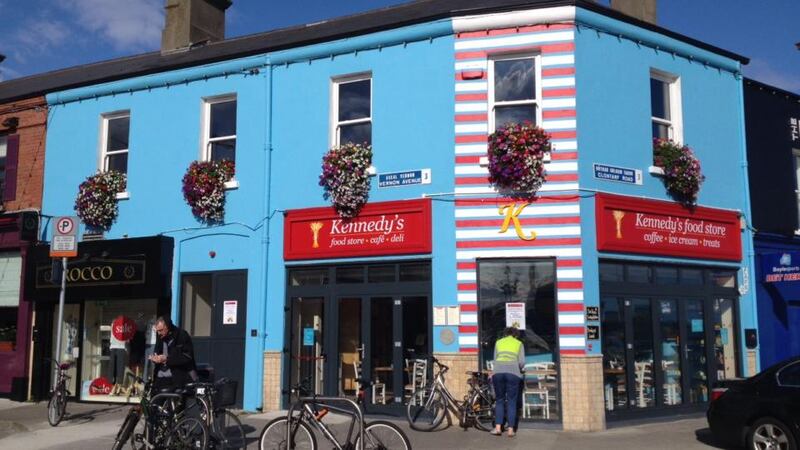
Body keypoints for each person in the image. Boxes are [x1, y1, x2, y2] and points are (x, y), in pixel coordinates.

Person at [490, 327, 525, 437]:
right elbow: (521, 362)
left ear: (505, 334)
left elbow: (495, 360)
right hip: (513, 373)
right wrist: (517, 367)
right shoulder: (519, 343)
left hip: (498, 373)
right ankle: (510, 430)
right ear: (515, 335)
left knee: (499, 400)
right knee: (511, 401)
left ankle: (498, 428)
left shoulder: (498, 342)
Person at [148, 316, 197, 390]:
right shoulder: (160, 337)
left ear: (167, 327)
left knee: (176, 398)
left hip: (178, 378)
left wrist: (167, 359)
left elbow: (187, 357)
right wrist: (155, 358)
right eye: (157, 331)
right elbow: (157, 352)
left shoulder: (181, 335)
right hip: (161, 378)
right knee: (156, 400)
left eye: (160, 330)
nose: (159, 333)